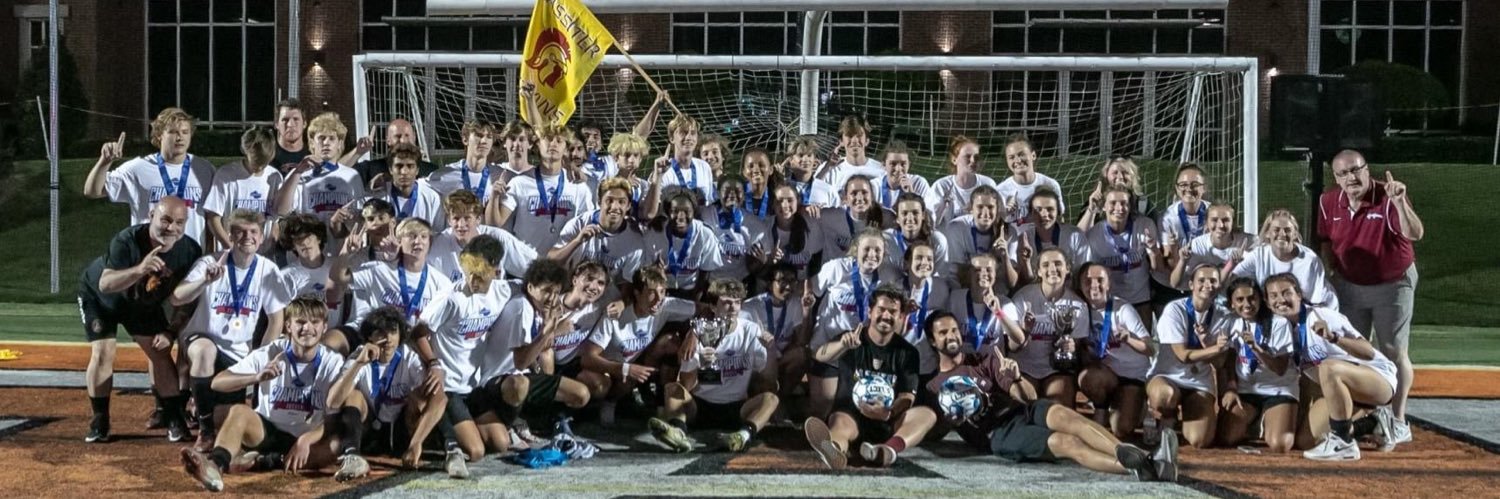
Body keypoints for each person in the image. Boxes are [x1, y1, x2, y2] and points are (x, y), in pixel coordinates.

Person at [923, 311, 1178, 482]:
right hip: (999, 433)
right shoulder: (934, 386)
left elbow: (1027, 397)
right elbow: (933, 430)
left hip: (1022, 410)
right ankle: (1145, 469)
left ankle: (1144, 457)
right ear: (933, 341)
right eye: (943, 333)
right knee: (1068, 443)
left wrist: (1016, 378)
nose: (952, 336)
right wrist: (951, 418)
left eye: (954, 330)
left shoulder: (984, 359)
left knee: (1072, 419)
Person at [179, 296, 348, 492]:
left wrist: (306, 439)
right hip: (267, 430)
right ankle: (215, 466)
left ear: (324, 327)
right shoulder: (270, 352)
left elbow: (333, 418)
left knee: (336, 445)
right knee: (239, 412)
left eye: (315, 322)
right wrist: (256, 377)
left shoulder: (333, 361)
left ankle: (263, 461)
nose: (307, 328)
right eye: (300, 322)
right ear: (288, 326)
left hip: (307, 435)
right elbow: (218, 382)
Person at [1318, 149, 1422, 449]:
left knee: (1392, 349)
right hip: (1350, 284)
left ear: (1367, 169)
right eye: (1343, 173)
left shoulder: (1387, 196)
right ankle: (1369, 416)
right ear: (1335, 178)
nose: (1351, 178)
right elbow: (1325, 239)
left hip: (1392, 282)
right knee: (1353, 349)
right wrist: (1330, 269)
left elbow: (1415, 233)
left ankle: (1399, 421)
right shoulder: (1328, 202)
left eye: (1356, 170)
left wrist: (1400, 202)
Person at [80, 196, 203, 443]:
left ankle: (173, 417)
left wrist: (170, 331)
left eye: (179, 222)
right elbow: (105, 284)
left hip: (141, 304)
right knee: (103, 352)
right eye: (166, 220)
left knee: (159, 352)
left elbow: (189, 300)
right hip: (103, 299)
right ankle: (100, 418)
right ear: (151, 216)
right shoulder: (127, 240)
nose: (171, 228)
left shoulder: (189, 251)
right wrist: (139, 269)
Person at [172, 209, 290, 449]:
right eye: (240, 232)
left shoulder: (267, 270)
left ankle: (201, 410)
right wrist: (204, 281)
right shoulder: (211, 262)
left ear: (261, 236)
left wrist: (260, 358)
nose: (248, 237)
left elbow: (276, 320)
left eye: (253, 232)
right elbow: (176, 298)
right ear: (230, 235)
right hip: (202, 339)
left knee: (228, 417)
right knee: (205, 350)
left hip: (237, 352)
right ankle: (205, 434)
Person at [1261, 274, 1398, 461]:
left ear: (1299, 295)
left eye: (1286, 293)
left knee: (1328, 367)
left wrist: (1334, 338)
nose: (1281, 300)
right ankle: (1372, 423)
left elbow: (1368, 351)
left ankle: (1343, 443)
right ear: (1268, 303)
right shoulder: (1283, 329)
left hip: (1378, 380)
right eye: (1274, 296)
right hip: (1346, 392)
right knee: (1306, 440)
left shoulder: (1321, 315)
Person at [804, 285, 937, 469]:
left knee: (927, 415)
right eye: (881, 310)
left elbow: (908, 396)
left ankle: (887, 450)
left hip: (888, 419)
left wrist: (888, 412)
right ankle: (833, 450)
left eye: (893, 312)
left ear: (900, 317)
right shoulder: (851, 339)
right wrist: (842, 345)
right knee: (839, 422)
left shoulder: (908, 352)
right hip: (851, 416)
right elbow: (819, 355)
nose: (886, 316)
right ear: (870, 311)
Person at [418, 235, 513, 478]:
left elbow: (538, 285)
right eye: (468, 272)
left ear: (496, 271)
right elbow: (417, 333)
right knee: (477, 451)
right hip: (448, 387)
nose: (472, 281)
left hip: (472, 385)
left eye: (480, 275)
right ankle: (438, 433)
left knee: (501, 443)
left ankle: (456, 427)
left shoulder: (503, 291)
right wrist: (433, 363)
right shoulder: (450, 298)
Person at [648, 279, 778, 453]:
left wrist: (770, 351)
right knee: (672, 388)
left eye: (737, 303)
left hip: (736, 406)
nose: (733, 308)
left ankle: (742, 437)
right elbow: (686, 385)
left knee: (771, 398)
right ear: (713, 307)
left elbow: (769, 378)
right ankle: (678, 432)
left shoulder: (751, 330)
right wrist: (700, 364)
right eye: (726, 303)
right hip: (701, 405)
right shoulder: (699, 333)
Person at [323, 306, 446, 477]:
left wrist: (416, 442)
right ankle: (353, 457)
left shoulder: (408, 357)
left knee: (426, 394)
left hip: (401, 429)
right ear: (369, 337)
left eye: (393, 332)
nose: (388, 339)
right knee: (353, 396)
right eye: (380, 333)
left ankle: (429, 446)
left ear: (400, 335)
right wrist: (359, 364)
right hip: (368, 429)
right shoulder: (359, 356)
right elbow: (333, 402)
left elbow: (440, 398)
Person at [580, 267, 698, 426]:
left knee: (670, 343)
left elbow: (705, 309)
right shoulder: (615, 314)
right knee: (598, 383)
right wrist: (623, 369)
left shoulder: (665, 305)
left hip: (634, 366)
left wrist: (694, 332)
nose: (658, 299)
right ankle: (594, 406)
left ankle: (656, 403)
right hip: (606, 369)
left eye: (662, 292)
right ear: (637, 293)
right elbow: (587, 358)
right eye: (651, 293)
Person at [84, 107, 216, 246]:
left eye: (185, 132)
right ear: (159, 135)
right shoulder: (138, 168)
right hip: (148, 257)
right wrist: (105, 161)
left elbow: (212, 218)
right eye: (173, 132)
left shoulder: (204, 170)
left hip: (191, 257)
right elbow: (92, 191)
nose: (179, 137)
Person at [1146, 264, 1234, 449]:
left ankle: (1186, 414)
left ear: (1219, 286)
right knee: (1165, 396)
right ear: (1191, 284)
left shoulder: (1224, 316)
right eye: (1201, 280)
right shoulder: (1174, 309)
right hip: (1167, 377)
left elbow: (1219, 363)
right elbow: (1182, 355)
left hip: (1198, 382)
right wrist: (1214, 348)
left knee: (1199, 440)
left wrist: (1206, 343)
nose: (1207, 285)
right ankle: (1164, 417)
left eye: (1213, 281)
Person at [333, 218, 454, 352]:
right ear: (400, 242)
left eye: (423, 237)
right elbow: (338, 277)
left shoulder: (442, 283)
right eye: (412, 236)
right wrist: (346, 251)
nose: (418, 241)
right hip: (379, 343)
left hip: (416, 348)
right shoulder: (379, 270)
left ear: (430, 243)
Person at [809, 230, 889, 419]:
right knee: (822, 408)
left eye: (877, 250)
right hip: (829, 347)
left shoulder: (887, 276)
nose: (872, 254)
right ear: (855, 250)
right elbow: (810, 291)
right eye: (867, 249)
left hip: (861, 354)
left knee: (857, 411)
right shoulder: (836, 268)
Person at [1214, 277, 1298, 453]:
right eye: (1240, 300)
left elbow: (1280, 368)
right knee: (1226, 437)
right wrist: (1231, 387)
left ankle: (1281, 418)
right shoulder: (1231, 322)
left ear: (1261, 299)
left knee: (1279, 444)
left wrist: (1257, 349)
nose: (1247, 304)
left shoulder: (1278, 323)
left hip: (1278, 388)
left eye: (1252, 298)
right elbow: (1230, 358)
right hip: (1246, 390)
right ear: (1231, 303)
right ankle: (1255, 422)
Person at [1075, 262, 1153, 440]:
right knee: (1087, 377)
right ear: (1079, 285)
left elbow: (1150, 348)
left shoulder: (1123, 309)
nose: (1094, 285)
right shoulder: (1080, 309)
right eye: (1088, 280)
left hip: (1132, 374)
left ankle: (1137, 402)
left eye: (1100, 280)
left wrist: (1129, 339)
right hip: (1107, 374)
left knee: (1122, 429)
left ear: (1109, 284)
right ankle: (1101, 405)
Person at [1007, 249, 1091, 407]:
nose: (1052, 269)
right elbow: (1012, 346)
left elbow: (1078, 344)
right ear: (1038, 271)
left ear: (1067, 269)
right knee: (1023, 406)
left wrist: (1072, 346)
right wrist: (1024, 330)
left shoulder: (1078, 304)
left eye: (1058, 264)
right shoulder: (1023, 298)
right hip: (1024, 367)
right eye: (1046, 265)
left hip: (1057, 369)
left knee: (1059, 408)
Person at [500, 124, 597, 251]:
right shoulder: (519, 183)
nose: (553, 144)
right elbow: (500, 224)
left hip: (563, 264)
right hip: (527, 267)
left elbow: (588, 225)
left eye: (559, 140)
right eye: (548, 139)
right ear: (537, 145)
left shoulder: (578, 186)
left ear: (566, 149)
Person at [1083, 184, 1164, 330]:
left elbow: (1157, 268)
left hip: (1141, 300)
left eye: (1124, 203)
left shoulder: (1144, 226)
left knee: (1142, 347)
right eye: (1113, 203)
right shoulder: (1095, 234)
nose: (1119, 208)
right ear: (1104, 207)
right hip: (1110, 302)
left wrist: (1154, 251)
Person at [272, 112, 366, 230]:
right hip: (310, 244)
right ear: (312, 142)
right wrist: (297, 172)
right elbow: (281, 210)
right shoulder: (298, 174)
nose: (326, 143)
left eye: (331, 138)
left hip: (342, 245)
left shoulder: (352, 176)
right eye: (321, 138)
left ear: (339, 143)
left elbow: (361, 217)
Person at [551, 178, 652, 286]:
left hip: (606, 297)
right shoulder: (579, 224)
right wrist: (577, 241)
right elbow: (552, 262)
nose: (615, 207)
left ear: (628, 206)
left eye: (621, 202)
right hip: (573, 290)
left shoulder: (634, 242)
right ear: (599, 201)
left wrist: (621, 302)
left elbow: (628, 283)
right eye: (609, 201)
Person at [1232, 209, 1339, 310]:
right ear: (1267, 233)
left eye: (1287, 230)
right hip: (1283, 309)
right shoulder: (1259, 255)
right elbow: (1232, 278)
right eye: (1276, 230)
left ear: (1295, 234)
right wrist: (1231, 264)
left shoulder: (1310, 260)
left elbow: (1314, 303)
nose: (1282, 234)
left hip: (1318, 307)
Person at [740, 264, 815, 404]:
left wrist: (806, 312)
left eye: (792, 281)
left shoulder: (794, 304)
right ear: (769, 284)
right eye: (782, 281)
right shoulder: (751, 307)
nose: (788, 286)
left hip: (781, 357)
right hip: (760, 363)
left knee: (802, 354)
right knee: (766, 359)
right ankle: (761, 403)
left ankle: (781, 400)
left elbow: (802, 340)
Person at [204, 128, 282, 253]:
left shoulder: (275, 176)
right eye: (256, 161)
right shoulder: (226, 175)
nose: (260, 167)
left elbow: (275, 221)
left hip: (262, 256)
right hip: (232, 252)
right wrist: (229, 247)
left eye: (265, 162)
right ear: (246, 151)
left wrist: (270, 248)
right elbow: (213, 217)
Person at [429, 190, 535, 283]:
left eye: (467, 218)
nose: (461, 225)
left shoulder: (498, 238)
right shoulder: (438, 244)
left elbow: (535, 268)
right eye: (456, 218)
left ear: (478, 219)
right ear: (449, 220)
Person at [1009, 187, 1088, 287]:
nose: (1044, 214)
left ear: (1058, 211)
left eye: (1050, 209)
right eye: (1038, 210)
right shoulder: (1024, 239)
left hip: (1069, 293)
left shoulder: (1075, 236)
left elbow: (1083, 274)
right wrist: (1026, 262)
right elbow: (1025, 282)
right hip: (1035, 293)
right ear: (1031, 213)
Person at [650, 192, 724, 297]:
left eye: (687, 211)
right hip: (660, 289)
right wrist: (654, 271)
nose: (681, 217)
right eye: (674, 211)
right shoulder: (656, 231)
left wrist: (695, 299)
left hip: (690, 290)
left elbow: (705, 271)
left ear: (694, 212)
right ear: (667, 212)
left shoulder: (705, 234)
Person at [942, 185, 1012, 294]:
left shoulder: (1008, 231)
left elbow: (1013, 282)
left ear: (997, 209)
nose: (985, 212)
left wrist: (1005, 257)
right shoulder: (956, 228)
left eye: (990, 207)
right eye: (980, 207)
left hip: (997, 290)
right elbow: (959, 272)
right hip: (962, 288)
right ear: (971, 209)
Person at [1171, 203, 1255, 289]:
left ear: (1233, 222)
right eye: (1214, 220)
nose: (1220, 225)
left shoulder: (1250, 242)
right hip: (1213, 297)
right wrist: (1182, 261)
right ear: (1206, 223)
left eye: (1226, 220)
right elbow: (1175, 283)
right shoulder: (1198, 245)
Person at [702, 175, 767, 286]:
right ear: (718, 193)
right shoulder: (706, 215)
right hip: (710, 282)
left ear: (745, 196)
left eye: (738, 190)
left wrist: (761, 261)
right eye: (726, 190)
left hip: (740, 283)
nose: (732, 194)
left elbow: (760, 263)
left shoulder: (755, 224)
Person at [996, 135, 1065, 230]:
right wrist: (1005, 213)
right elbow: (997, 227)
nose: (1018, 160)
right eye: (1011, 157)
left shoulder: (1050, 185)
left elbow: (1059, 219)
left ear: (1033, 155)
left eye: (1021, 154)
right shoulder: (1000, 191)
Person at [428, 120, 504, 205]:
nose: (484, 141)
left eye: (489, 137)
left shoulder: (501, 176)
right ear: (465, 139)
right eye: (478, 135)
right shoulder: (444, 175)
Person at [925, 135, 997, 224]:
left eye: (976, 157)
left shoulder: (988, 184)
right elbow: (929, 222)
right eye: (967, 156)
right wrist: (942, 208)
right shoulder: (941, 186)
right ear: (954, 159)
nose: (973, 160)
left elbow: (996, 217)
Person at [377, 143, 446, 229]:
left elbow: (438, 234)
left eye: (410, 166)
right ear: (390, 169)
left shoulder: (432, 197)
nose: (404, 172)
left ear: (417, 170)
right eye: (399, 166)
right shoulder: (378, 197)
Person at [352, 118, 439, 184]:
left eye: (407, 135)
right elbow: (339, 173)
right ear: (388, 140)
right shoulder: (371, 169)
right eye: (397, 136)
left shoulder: (431, 172)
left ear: (414, 138)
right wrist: (357, 152)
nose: (403, 141)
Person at [1078, 155, 1153, 231]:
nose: (1120, 177)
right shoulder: (1095, 201)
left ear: (1133, 175)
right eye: (1115, 172)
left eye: (1125, 172)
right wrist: (1091, 210)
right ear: (1106, 175)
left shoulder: (1143, 203)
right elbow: (1079, 237)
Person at [883, 193, 950, 278]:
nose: (910, 218)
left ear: (923, 215)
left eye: (915, 213)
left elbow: (940, 276)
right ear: (897, 218)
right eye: (904, 213)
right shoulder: (886, 240)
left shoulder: (937, 241)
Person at [817, 174, 883, 259]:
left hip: (867, 269)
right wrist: (809, 207)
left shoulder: (885, 217)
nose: (859, 198)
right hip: (836, 270)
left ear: (872, 197)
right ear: (846, 199)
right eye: (854, 193)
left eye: (864, 192)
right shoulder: (831, 216)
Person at [657, 114, 717, 204]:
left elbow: (709, 202)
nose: (689, 137)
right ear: (672, 138)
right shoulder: (663, 171)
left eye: (693, 133)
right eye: (683, 132)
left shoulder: (704, 167)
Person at [818, 116, 886, 192]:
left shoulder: (881, 170)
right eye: (849, 136)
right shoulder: (829, 170)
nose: (854, 140)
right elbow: (810, 194)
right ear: (841, 141)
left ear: (867, 141)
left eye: (859, 136)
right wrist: (827, 168)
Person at [872, 140, 931, 215]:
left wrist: (911, 194)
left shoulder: (919, 183)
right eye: (893, 164)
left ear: (909, 164)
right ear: (884, 164)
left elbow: (927, 217)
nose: (898, 169)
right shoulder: (874, 186)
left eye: (903, 164)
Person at [740, 147, 781, 221]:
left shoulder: (778, 199)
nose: (756, 170)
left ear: (771, 169)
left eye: (761, 165)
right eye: (751, 166)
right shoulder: (736, 198)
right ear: (744, 172)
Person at [272, 99, 309, 171]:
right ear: (276, 124)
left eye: (296, 119)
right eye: (285, 120)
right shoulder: (266, 156)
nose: (290, 125)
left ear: (304, 123)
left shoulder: (313, 155)